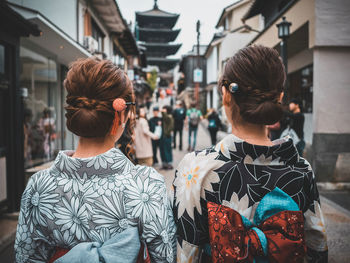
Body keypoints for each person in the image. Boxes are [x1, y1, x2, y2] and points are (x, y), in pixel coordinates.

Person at [173, 45, 328, 262]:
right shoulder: (302, 170)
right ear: (280, 96)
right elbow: (317, 247)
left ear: (226, 95)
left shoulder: (196, 168)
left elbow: (186, 251)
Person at [14, 58, 176, 262]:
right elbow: (164, 257)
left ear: (75, 112)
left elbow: (26, 257)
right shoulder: (147, 184)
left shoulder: (39, 187)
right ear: (122, 114)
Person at [160, 105, 174, 170]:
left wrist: (163, 112)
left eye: (164, 109)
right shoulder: (166, 116)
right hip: (164, 136)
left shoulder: (169, 117)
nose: (162, 110)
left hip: (167, 136)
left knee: (167, 150)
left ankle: (169, 164)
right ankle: (165, 164)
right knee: (163, 150)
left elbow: (166, 118)